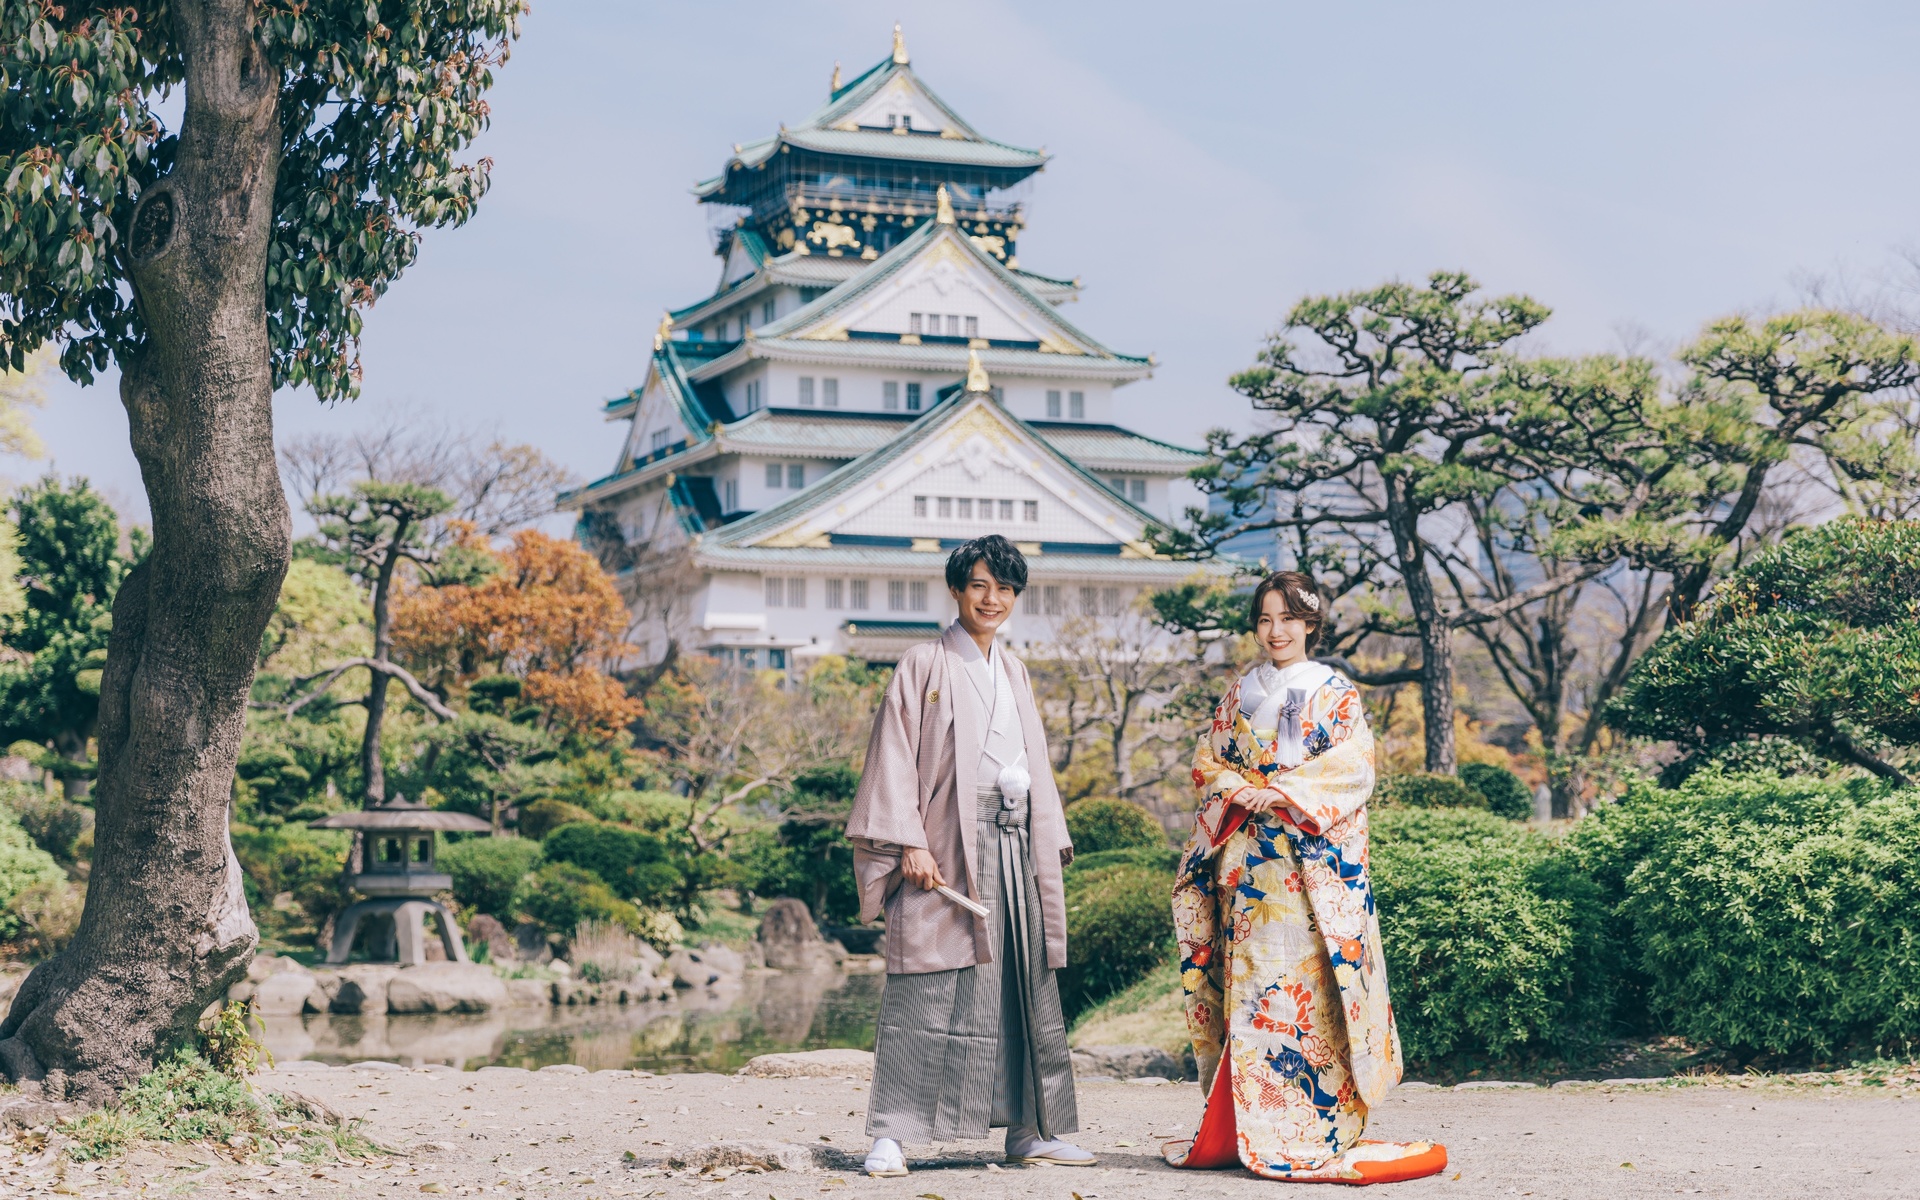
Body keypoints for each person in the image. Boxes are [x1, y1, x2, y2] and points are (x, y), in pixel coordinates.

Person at [1163, 571, 1447, 1184]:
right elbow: (1207, 759)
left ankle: (1311, 1124)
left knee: (1303, 991)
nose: (1275, 631)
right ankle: (1244, 1124)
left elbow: (1353, 767)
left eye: (1288, 619)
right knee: (1249, 990)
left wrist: (1287, 791)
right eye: (1264, 620)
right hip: (1247, 862)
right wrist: (1234, 787)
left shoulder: (1334, 690)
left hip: (1306, 868)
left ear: (1311, 624)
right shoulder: (1241, 691)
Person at [845, 535, 1095, 1177]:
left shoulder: (1013, 670)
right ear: (956, 589)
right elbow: (894, 754)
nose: (993, 599)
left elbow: (1035, 761)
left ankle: (1031, 1130)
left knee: (1020, 981)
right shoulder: (923, 662)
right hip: (945, 842)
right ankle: (892, 1135)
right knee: (925, 980)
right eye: (980, 585)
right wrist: (907, 842)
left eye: (1005, 588)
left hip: (1014, 841)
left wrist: (1047, 835)